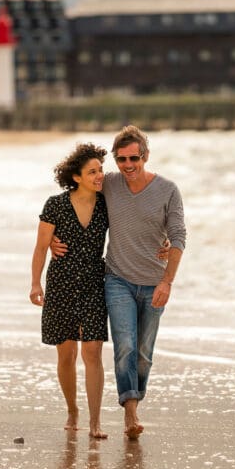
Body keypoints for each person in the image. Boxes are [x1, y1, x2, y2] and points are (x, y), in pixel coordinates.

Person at [52, 125, 186, 440]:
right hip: (117, 279)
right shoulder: (109, 184)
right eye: (122, 159)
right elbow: (76, 193)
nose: (128, 165)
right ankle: (130, 412)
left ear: (146, 156)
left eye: (134, 159)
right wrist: (53, 235)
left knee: (143, 352)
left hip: (154, 282)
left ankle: (133, 401)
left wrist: (168, 281)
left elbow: (178, 235)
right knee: (125, 345)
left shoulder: (168, 190)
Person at [30, 142, 109, 439]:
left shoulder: (106, 203)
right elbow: (40, 248)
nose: (99, 176)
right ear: (76, 177)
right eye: (92, 172)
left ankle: (95, 422)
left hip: (93, 283)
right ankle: (72, 409)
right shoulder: (55, 205)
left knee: (92, 350)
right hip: (61, 283)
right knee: (66, 354)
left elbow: (131, 227)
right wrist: (35, 283)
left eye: (101, 170)